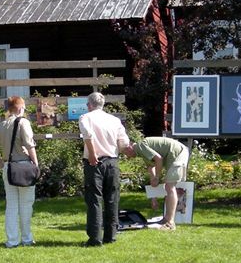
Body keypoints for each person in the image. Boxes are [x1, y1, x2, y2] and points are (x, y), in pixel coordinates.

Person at [78, 92, 130, 246]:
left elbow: (87, 135)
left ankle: (95, 238)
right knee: (112, 199)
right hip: (112, 162)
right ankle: (111, 236)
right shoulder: (114, 120)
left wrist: (93, 155)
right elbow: (123, 143)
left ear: (89, 104)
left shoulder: (85, 118)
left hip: (94, 162)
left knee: (94, 199)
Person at [0, 96, 39, 248]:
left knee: (11, 206)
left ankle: (12, 240)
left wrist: (2, 166)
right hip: (24, 167)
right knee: (26, 204)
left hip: (9, 167)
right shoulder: (24, 122)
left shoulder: (0, 126)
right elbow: (30, 145)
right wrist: (36, 164)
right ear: (20, 108)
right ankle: (27, 239)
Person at [122, 137, 189, 231]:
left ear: (129, 147)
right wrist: (154, 198)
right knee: (169, 186)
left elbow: (159, 159)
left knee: (170, 187)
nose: (127, 156)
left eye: (125, 153)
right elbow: (151, 168)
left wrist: (157, 177)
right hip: (176, 153)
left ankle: (170, 223)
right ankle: (166, 219)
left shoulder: (141, 146)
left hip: (179, 153)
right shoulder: (141, 151)